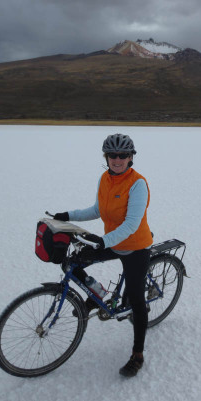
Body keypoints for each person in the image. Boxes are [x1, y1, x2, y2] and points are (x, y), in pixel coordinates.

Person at [53, 133, 152, 377]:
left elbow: (131, 223)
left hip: (135, 245)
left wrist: (102, 241)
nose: (117, 160)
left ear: (131, 158)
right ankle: (97, 294)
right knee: (73, 262)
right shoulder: (105, 179)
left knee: (137, 302)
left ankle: (137, 355)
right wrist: (68, 215)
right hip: (111, 241)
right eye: (112, 155)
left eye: (122, 155)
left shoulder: (138, 184)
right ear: (106, 157)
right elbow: (97, 209)